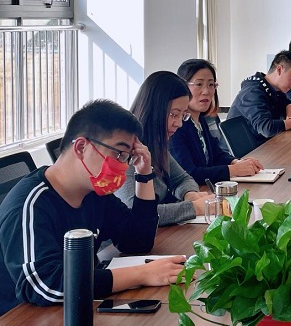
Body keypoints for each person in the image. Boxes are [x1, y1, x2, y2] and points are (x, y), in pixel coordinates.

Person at [0, 100, 185, 316]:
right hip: (25, 315)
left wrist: (144, 174)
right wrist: (142, 274)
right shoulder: (30, 204)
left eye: (128, 157)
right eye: (119, 154)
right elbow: (46, 285)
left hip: (77, 307)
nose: (123, 166)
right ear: (81, 147)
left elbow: (137, 241)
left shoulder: (94, 193)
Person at [115, 71, 214, 226]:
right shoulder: (126, 150)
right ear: (154, 110)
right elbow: (135, 212)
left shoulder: (155, 143)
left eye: (183, 115)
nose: (179, 123)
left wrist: (190, 194)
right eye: (174, 115)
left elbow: (182, 179)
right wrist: (194, 207)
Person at [170, 59, 263, 185]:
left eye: (211, 85)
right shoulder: (176, 127)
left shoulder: (201, 120)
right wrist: (233, 170)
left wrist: (236, 162)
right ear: (183, 86)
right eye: (199, 84)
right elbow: (189, 174)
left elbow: (216, 155)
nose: (206, 91)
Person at [227, 50, 291, 148]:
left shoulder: (274, 89)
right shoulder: (253, 91)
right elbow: (267, 128)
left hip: (264, 144)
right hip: (247, 151)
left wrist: (289, 104)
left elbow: (284, 101)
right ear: (279, 70)